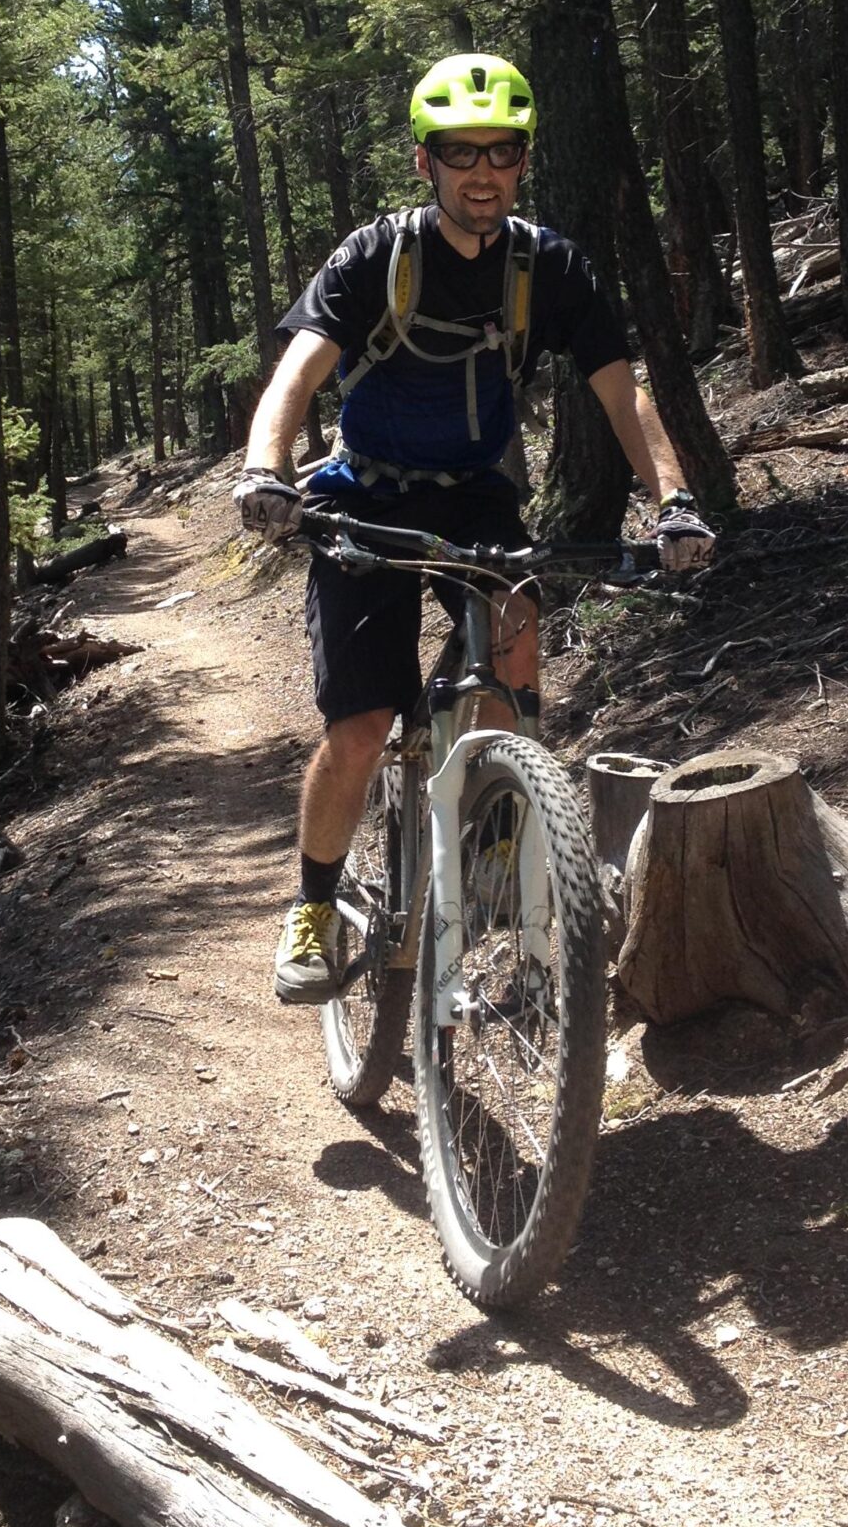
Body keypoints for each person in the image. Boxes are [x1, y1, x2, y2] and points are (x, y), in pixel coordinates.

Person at [234, 54, 717, 1003]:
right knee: (365, 725)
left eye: (501, 152)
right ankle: (317, 905)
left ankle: (496, 832)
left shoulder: (550, 268)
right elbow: (295, 374)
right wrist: (266, 470)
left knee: (517, 649)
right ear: (427, 164)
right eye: (462, 153)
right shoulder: (379, 257)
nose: (483, 172)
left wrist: (674, 500)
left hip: (473, 494)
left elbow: (627, 396)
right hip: (362, 496)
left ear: (522, 161)